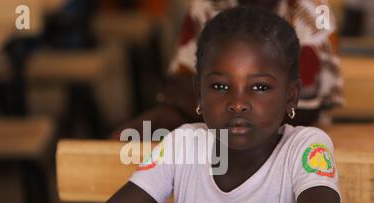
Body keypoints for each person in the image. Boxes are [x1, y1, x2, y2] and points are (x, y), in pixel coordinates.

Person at [26, 6, 341, 203]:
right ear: (198, 94)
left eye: (259, 87)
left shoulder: (306, 147)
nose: (238, 103)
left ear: (291, 96)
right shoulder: (183, 145)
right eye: (219, 86)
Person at [110, 0, 343, 138]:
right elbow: (177, 88)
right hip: (211, 126)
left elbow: (301, 110)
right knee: (134, 136)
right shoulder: (208, 4)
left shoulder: (313, 11)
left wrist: (216, 95)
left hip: (291, 136)